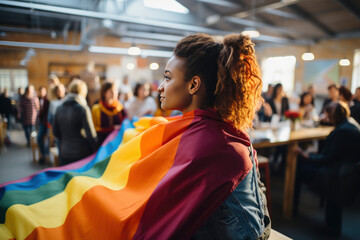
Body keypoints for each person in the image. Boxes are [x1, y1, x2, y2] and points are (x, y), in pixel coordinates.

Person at [158, 33, 270, 239]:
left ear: (193, 85)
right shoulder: (211, 128)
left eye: (167, 77)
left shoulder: (214, 143)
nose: (160, 87)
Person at [295, 101, 360, 236]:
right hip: (347, 170)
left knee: (299, 169)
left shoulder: (342, 132)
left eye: (328, 113)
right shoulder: (350, 124)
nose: (325, 116)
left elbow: (325, 160)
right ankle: (332, 225)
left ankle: (292, 209)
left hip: (337, 174)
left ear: (334, 115)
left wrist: (304, 154)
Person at [53, 79, 97, 166]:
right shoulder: (83, 109)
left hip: (64, 151)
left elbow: (55, 132)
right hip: (81, 153)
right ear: (83, 92)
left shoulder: (59, 108)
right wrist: (96, 151)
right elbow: (91, 135)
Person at [91, 81, 126, 146]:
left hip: (118, 142)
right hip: (102, 143)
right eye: (111, 91)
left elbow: (125, 123)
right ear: (104, 93)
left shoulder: (120, 107)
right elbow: (94, 128)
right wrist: (112, 128)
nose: (114, 93)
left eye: (115, 90)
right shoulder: (96, 109)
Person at [37, 86, 50, 164]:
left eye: (43, 91)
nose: (42, 93)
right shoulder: (39, 99)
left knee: (43, 138)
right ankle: (43, 154)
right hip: (42, 121)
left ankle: (45, 155)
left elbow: (44, 112)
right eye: (40, 91)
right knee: (39, 138)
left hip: (46, 122)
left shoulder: (47, 99)